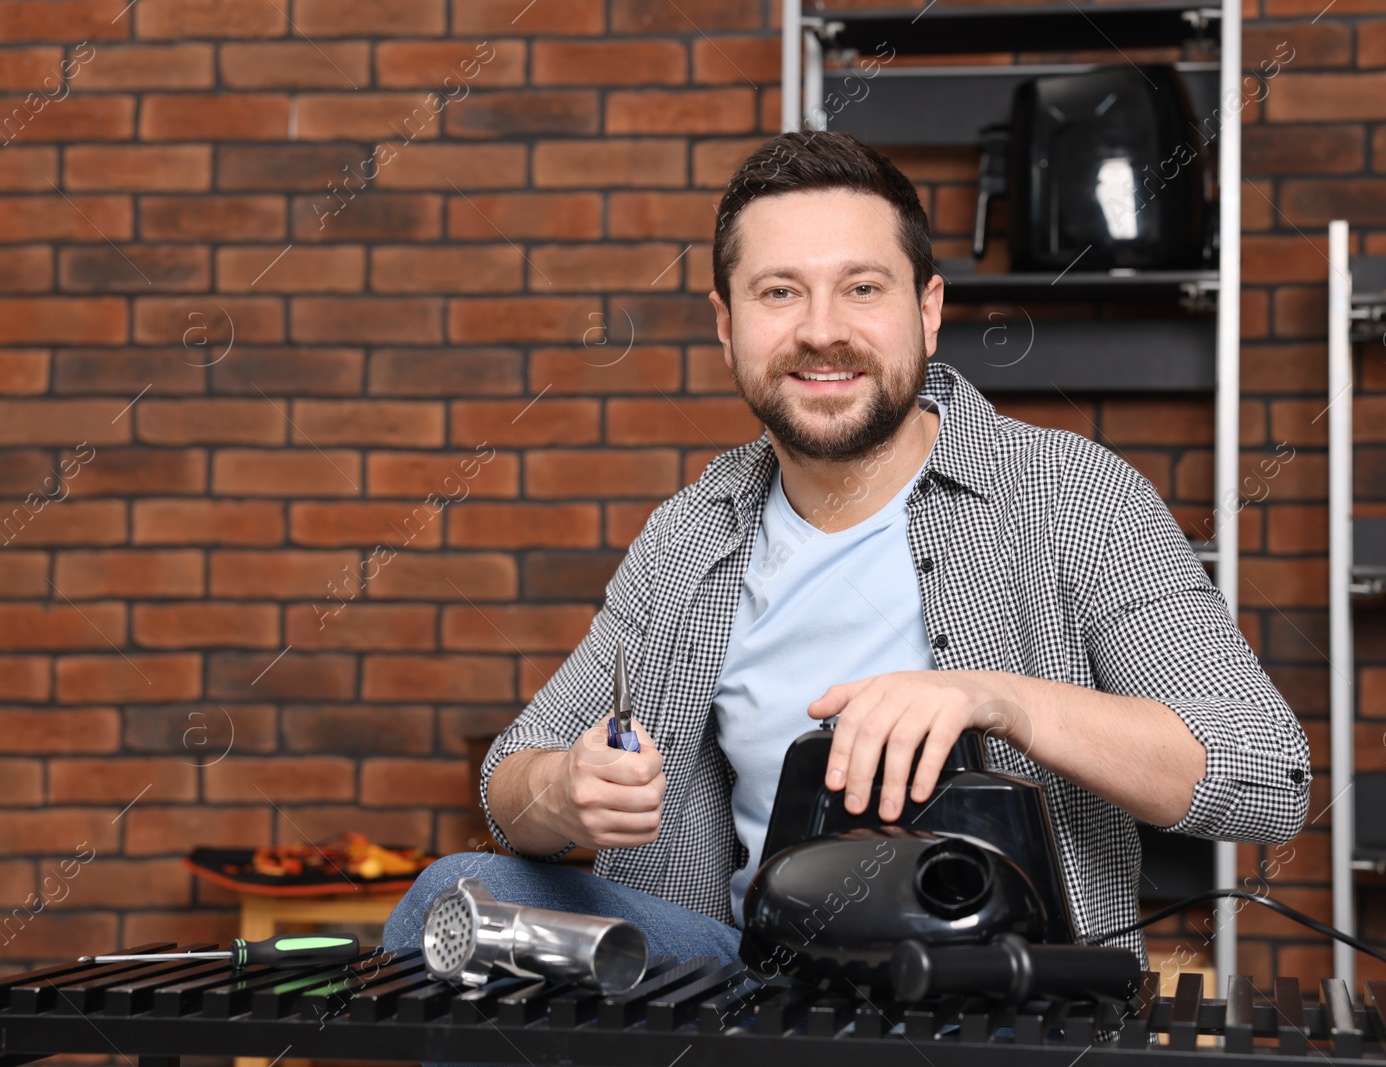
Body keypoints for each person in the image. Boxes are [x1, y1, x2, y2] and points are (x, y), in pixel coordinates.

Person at [384, 131, 1311, 983]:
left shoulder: (1072, 496)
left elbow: (1268, 774)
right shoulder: (689, 536)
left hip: (1002, 998)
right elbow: (509, 784)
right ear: (726, 324)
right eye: (779, 291)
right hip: (749, 990)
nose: (821, 329)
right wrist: (564, 789)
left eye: (862, 288)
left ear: (928, 308)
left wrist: (999, 697)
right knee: (453, 900)